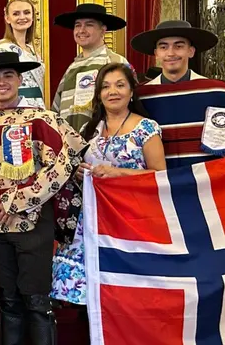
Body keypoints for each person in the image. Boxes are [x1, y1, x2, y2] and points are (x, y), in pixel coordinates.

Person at [0, 52, 86, 345]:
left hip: (31, 223)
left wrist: (21, 199)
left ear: (20, 80)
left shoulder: (41, 118)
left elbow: (67, 159)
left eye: (8, 75)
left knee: (36, 301)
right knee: (8, 299)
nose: (1, 82)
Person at [50, 63, 166, 307]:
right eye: (105, 86)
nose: (113, 91)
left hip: (130, 219)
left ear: (131, 91)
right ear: (99, 95)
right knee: (86, 295)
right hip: (91, 220)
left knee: (122, 296)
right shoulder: (89, 129)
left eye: (120, 85)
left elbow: (160, 175)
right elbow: (76, 170)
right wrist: (79, 172)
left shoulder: (146, 128)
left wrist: (118, 173)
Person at [132, 20, 225, 168]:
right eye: (164, 47)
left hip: (209, 184)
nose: (171, 53)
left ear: (191, 51)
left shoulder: (218, 91)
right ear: (156, 53)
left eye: (179, 46)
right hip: (160, 184)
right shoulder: (141, 96)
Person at [52, 3, 129, 132]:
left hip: (102, 143)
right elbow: (56, 110)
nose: (82, 30)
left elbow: (128, 105)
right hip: (69, 145)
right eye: (78, 25)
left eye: (89, 25)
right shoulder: (71, 68)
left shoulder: (115, 62)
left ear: (103, 30)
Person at [0, 0, 46, 109]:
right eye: (16, 14)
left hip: (39, 108)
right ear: (7, 18)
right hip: (15, 108)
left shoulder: (33, 52)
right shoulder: (3, 49)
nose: (22, 17)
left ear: (32, 17)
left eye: (26, 13)